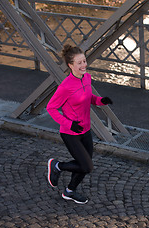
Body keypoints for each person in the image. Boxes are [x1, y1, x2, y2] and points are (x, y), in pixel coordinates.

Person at [46, 44, 113, 204]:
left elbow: (88, 97)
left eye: (84, 61)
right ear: (70, 65)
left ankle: (69, 191)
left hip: (86, 130)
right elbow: (51, 108)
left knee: (84, 165)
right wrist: (69, 124)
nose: (83, 65)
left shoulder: (87, 78)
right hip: (70, 133)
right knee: (87, 166)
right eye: (79, 63)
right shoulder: (66, 87)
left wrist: (100, 101)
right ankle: (57, 166)